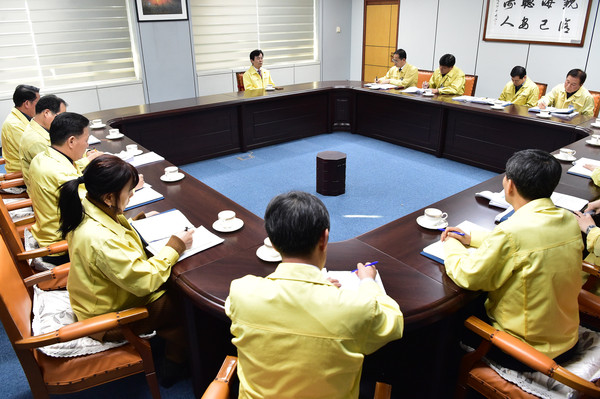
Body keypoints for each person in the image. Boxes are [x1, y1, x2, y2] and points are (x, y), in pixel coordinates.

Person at [226, 191, 404, 398]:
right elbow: (395, 323)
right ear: (324, 237)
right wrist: (367, 281)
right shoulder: (356, 307)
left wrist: (316, 286)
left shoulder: (242, 291)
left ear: (272, 243)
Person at [58, 155, 194, 387]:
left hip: (99, 297)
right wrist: (175, 247)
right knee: (185, 301)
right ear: (109, 196)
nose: (131, 196)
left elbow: (112, 231)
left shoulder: (87, 203)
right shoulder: (100, 239)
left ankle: (175, 341)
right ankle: (174, 363)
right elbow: (145, 281)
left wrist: (138, 221)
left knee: (176, 285)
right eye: (129, 192)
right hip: (109, 318)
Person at [441, 149, 582, 368]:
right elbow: (528, 243)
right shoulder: (568, 219)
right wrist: (472, 238)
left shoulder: (511, 231)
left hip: (526, 352)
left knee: (449, 319)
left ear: (510, 185)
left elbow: (469, 275)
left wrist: (451, 244)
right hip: (568, 340)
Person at [28, 112, 100, 266]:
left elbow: (66, 169)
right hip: (62, 249)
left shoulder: (42, 157)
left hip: (46, 234)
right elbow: (93, 208)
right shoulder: (61, 174)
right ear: (72, 141)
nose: (87, 145)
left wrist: (86, 161)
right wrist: (128, 189)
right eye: (86, 140)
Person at [19, 94, 67, 187]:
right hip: (50, 190)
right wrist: (86, 161)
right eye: (61, 116)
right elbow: (59, 169)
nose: (63, 120)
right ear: (46, 113)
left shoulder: (43, 127)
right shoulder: (36, 141)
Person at [1, 84, 40, 174]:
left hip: (32, 168)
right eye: (38, 103)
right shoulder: (13, 125)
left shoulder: (28, 118)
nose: (40, 106)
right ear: (26, 103)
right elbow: (32, 151)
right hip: (21, 175)